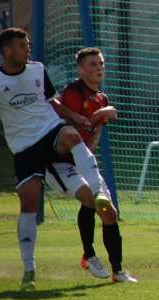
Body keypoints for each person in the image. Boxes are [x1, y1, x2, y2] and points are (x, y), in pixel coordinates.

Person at [0, 28, 109, 290]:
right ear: (7, 50)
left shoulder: (38, 69)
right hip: (24, 148)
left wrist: (76, 117)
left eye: (28, 44)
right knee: (29, 202)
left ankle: (98, 194)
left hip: (50, 131)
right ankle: (29, 270)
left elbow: (53, 103)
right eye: (22, 46)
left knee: (71, 136)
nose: (28, 49)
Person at [48, 47, 137, 283]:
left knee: (109, 213)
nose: (99, 68)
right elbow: (71, 132)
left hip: (83, 162)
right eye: (92, 64)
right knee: (89, 198)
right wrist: (99, 116)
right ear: (80, 69)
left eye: (101, 64)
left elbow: (91, 141)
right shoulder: (74, 92)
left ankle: (118, 272)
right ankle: (88, 255)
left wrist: (99, 119)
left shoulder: (101, 98)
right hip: (59, 163)